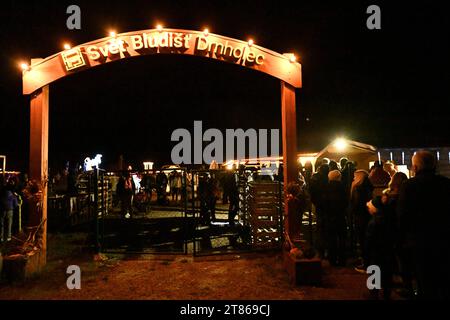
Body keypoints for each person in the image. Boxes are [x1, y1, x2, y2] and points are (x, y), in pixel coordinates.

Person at [397, 151, 450, 299]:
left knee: (424, 280)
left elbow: (402, 215)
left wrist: (401, 239)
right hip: (443, 238)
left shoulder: (409, 186)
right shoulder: (446, 184)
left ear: (415, 167)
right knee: (442, 279)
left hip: (418, 240)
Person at [365, 172, 408, 299]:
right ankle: (387, 292)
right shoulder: (402, 198)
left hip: (378, 231)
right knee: (387, 264)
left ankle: (374, 291)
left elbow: (376, 206)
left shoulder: (386, 196)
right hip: (392, 234)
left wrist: (374, 209)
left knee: (374, 262)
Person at [323, 170, 348, 266]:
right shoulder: (343, 187)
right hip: (341, 216)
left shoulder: (326, 187)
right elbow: (346, 201)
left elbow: (324, 202)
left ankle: (332, 259)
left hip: (330, 216)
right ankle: (342, 260)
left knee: (331, 238)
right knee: (342, 238)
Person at [350, 169, 374, 267]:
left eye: (355, 176)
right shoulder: (368, 186)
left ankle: (366, 263)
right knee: (367, 239)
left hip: (360, 216)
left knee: (362, 238)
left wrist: (353, 211)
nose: (353, 178)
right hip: (367, 215)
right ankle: (368, 261)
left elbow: (357, 203)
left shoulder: (358, 188)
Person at [309, 164, 329, 257]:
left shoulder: (315, 178)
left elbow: (312, 192)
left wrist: (315, 202)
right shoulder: (328, 179)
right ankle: (325, 250)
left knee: (320, 227)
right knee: (325, 228)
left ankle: (320, 250)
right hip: (327, 206)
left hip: (319, 205)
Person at [1, 178, 18, 242]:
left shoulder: (3, 190)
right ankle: (8, 237)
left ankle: (1, 237)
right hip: (9, 209)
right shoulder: (13, 192)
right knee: (9, 223)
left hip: (2, 209)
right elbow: (15, 203)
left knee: (2, 224)